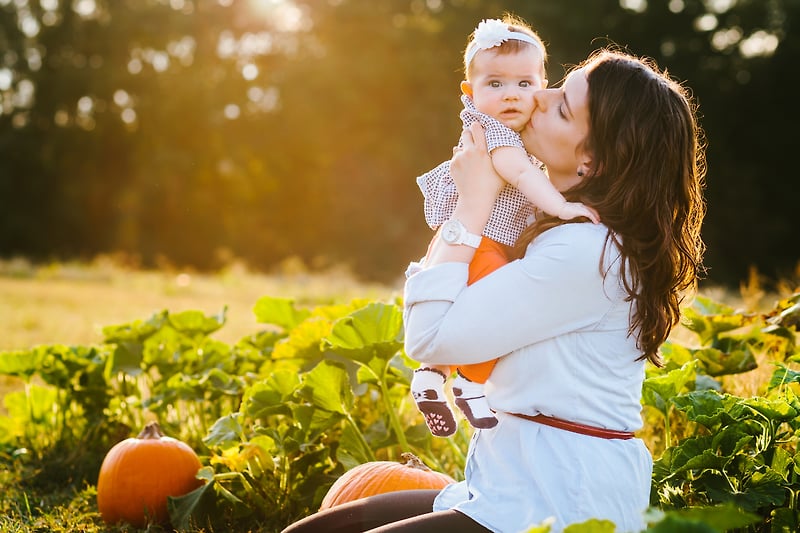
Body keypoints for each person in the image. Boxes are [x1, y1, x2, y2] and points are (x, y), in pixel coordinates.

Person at [280, 46, 706, 533]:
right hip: (509, 484)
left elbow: (430, 338)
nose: (538, 97)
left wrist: (473, 201)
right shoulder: (550, 222)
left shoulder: (587, 252)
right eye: (555, 86)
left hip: (562, 503)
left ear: (594, 161)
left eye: (562, 108)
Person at [412, 16, 599, 437]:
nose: (511, 95)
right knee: (485, 314)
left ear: (541, 84)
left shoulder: (507, 131)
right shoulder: (495, 133)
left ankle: (430, 377)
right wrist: (561, 207)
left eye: (524, 84)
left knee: (460, 311)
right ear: (469, 92)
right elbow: (523, 175)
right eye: (495, 84)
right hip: (484, 242)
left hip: (477, 238)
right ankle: (470, 382)